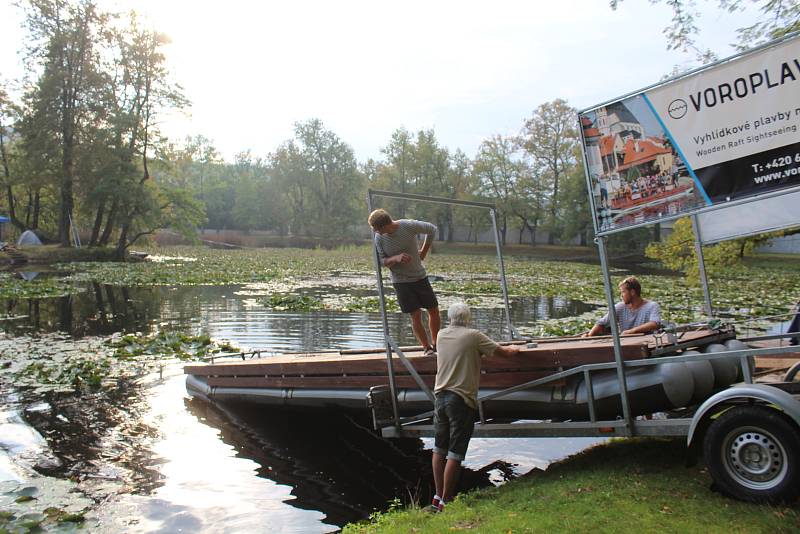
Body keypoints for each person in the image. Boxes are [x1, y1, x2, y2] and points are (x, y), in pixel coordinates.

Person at [428, 302, 520, 512]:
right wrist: (515, 350)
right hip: (460, 399)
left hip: (440, 397)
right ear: (468, 318)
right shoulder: (473, 336)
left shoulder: (441, 335)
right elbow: (502, 352)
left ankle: (436, 496)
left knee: (439, 447)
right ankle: (446, 500)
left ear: (450, 318)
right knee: (455, 451)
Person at [368, 208, 440, 356]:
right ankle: (427, 348)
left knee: (433, 310)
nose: (375, 232)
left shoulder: (408, 225)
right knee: (415, 315)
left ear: (385, 225)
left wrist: (424, 251)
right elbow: (381, 261)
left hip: (420, 276)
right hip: (401, 281)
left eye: (376, 229)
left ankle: (437, 345)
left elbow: (432, 229)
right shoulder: (379, 238)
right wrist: (396, 258)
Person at [584, 276, 661, 337]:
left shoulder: (652, 306)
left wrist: (631, 331)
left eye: (623, 292)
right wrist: (590, 336)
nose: (621, 295)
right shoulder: (619, 307)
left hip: (647, 345)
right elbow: (602, 323)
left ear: (632, 292)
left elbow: (654, 324)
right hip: (625, 345)